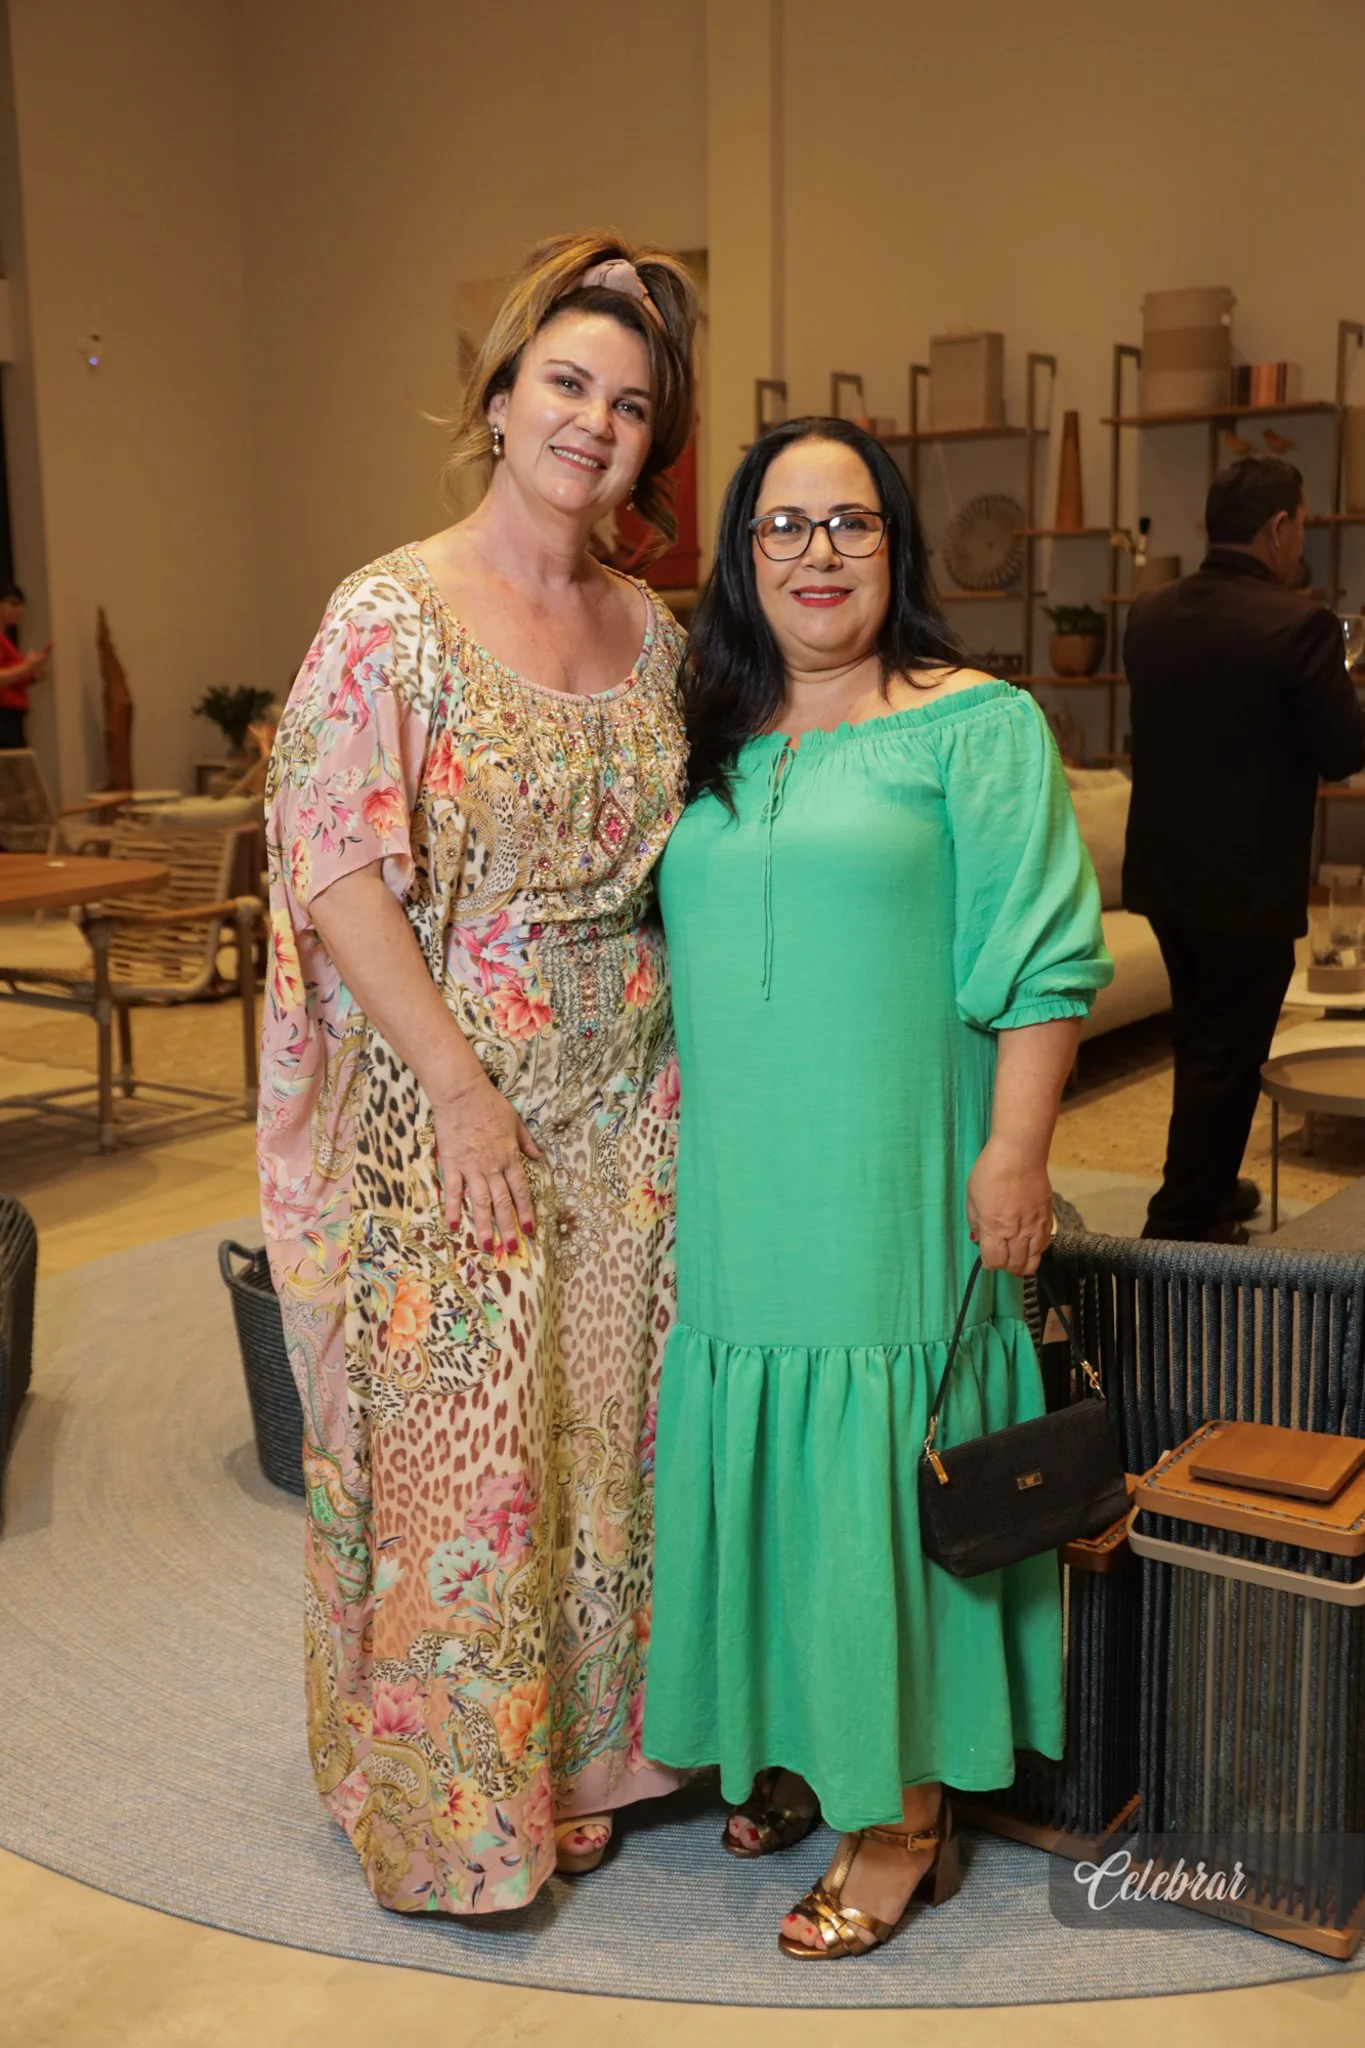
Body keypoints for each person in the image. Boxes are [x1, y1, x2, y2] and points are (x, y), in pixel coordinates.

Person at [258, 230, 698, 1915]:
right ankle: (462, 1796)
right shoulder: (390, 614)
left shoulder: (656, 633)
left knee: (605, 1444)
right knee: (470, 1449)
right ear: (500, 399)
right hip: (458, 1103)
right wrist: (455, 1088)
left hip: (634, 1105)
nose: (594, 421)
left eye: (630, 405)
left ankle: (589, 1760)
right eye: (566, 383)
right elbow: (334, 864)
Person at [642, 418, 1111, 1959]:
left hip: (893, 1176)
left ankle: (903, 1814)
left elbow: (1043, 955)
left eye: (850, 521)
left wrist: (1014, 1151)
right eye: (783, 526)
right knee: (770, 1458)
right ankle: (808, 1740)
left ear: (894, 547)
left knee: (878, 1467)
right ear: (743, 557)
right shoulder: (713, 734)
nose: (818, 553)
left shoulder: (977, 725)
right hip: (743, 1191)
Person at [1122, 455, 1365, 1244]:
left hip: (1163, 873)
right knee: (1227, 1051)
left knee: (1199, 1039)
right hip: (1246, 882)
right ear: (1278, 527)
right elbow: (1340, 751)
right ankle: (1181, 1224)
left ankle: (1208, 1184)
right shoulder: (1297, 624)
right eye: (1301, 525)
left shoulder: (1148, 614)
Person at [0, 583, 53, 749]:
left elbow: (11, 679)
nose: (20, 610)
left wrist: (33, 675)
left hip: (12, 717)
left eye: (22, 605)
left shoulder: (6, 640)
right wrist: (27, 667)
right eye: (13, 604)